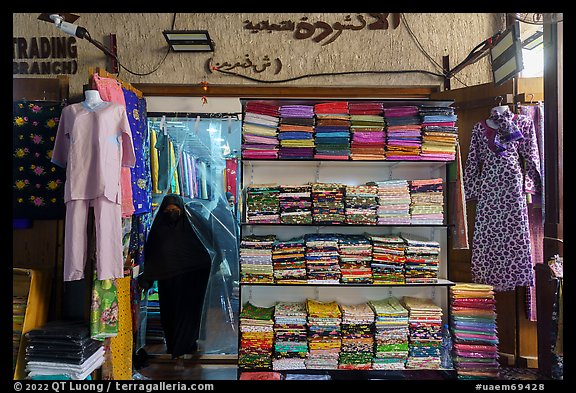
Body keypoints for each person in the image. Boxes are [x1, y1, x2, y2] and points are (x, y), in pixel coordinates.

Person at [138, 194, 213, 362]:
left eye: (175, 210)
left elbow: (210, 246)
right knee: (170, 315)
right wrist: (148, 277)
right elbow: (153, 255)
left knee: (189, 314)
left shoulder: (195, 225)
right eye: (168, 210)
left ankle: (188, 344)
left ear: (182, 209)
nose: (171, 213)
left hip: (193, 281)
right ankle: (174, 346)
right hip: (168, 282)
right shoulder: (159, 229)